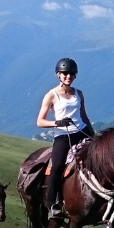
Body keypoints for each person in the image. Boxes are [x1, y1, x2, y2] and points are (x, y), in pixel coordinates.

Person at [36, 57, 96, 219]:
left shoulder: (79, 94)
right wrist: (57, 122)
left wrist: (92, 134)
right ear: (58, 75)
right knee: (57, 168)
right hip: (62, 136)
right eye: (65, 73)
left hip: (80, 132)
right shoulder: (51, 95)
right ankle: (52, 204)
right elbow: (40, 121)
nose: (68, 76)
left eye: (71, 74)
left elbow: (83, 115)